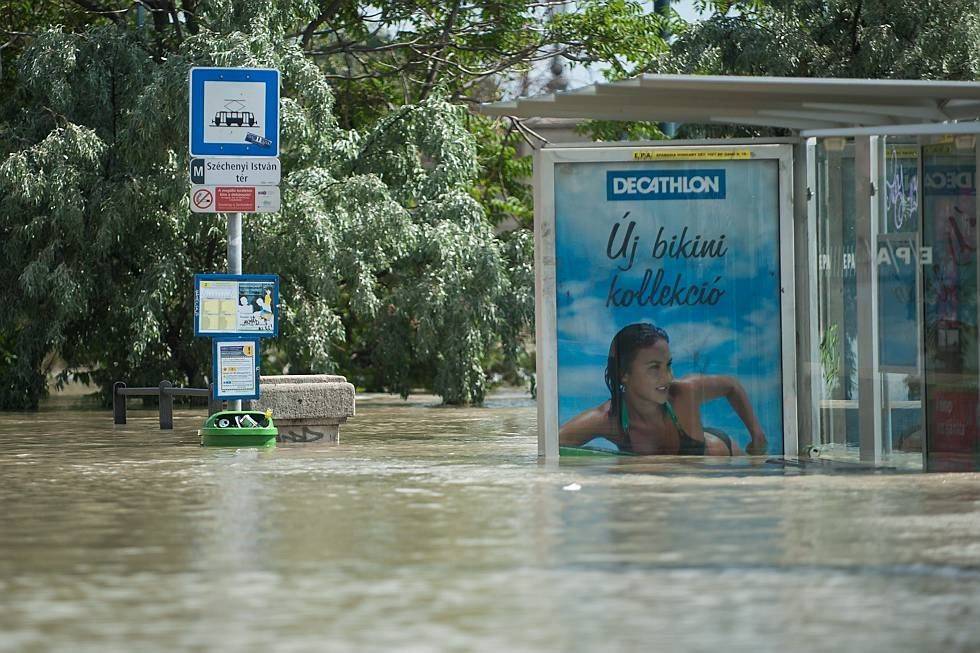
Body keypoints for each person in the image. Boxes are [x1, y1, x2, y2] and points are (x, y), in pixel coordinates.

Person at [559, 323, 768, 456]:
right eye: (654, 368)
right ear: (624, 374)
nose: (668, 377)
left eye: (668, 365)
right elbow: (553, 448)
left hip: (723, 457)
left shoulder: (685, 391)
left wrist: (757, 435)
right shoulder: (609, 419)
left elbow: (731, 386)